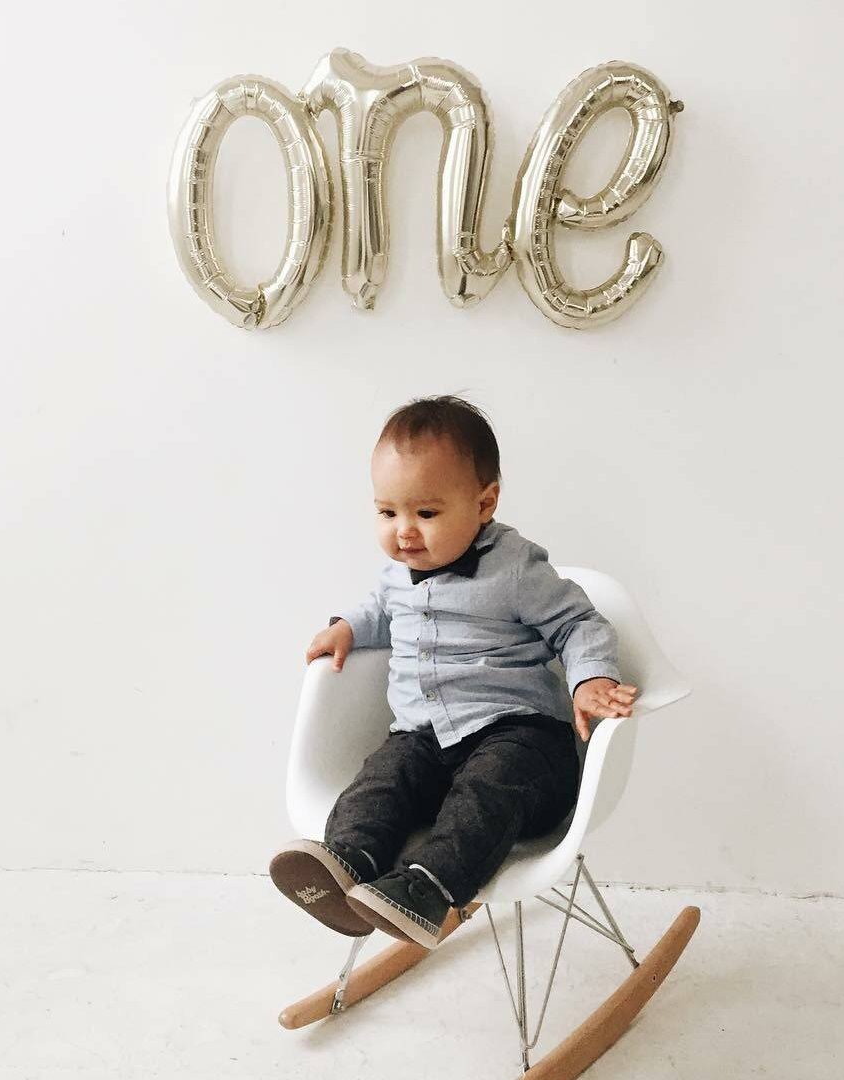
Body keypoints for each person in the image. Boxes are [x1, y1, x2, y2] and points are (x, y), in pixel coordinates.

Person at [269, 396, 638, 948]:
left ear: (484, 503)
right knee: (383, 777)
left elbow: (579, 623)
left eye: (426, 513)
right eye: (387, 512)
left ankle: (427, 889)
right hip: (425, 739)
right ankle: (346, 864)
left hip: (520, 742)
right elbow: (380, 611)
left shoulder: (515, 569)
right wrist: (347, 626)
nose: (404, 533)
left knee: (488, 790)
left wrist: (589, 679)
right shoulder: (399, 573)